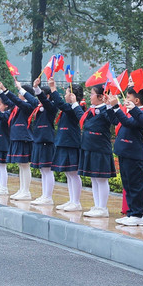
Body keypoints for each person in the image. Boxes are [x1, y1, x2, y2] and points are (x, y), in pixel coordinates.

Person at [69, 84, 116, 218]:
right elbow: (83, 119)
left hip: (100, 149)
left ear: (101, 97)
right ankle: (97, 205)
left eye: (92, 94)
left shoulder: (106, 110)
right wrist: (74, 104)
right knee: (94, 178)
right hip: (89, 147)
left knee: (101, 179)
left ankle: (103, 208)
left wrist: (109, 105)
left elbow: (112, 120)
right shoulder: (91, 110)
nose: (89, 97)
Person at [107, 87, 143, 227]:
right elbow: (115, 120)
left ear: (137, 100)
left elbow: (129, 123)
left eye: (128, 97)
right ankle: (131, 213)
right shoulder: (131, 112)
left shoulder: (142, 113)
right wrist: (110, 106)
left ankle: (138, 215)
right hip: (124, 151)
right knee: (127, 184)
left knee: (135, 185)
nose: (125, 100)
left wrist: (116, 106)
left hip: (133, 153)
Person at [48, 79, 84, 211]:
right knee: (69, 173)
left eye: (67, 92)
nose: (65, 95)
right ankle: (71, 200)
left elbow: (60, 104)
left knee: (73, 173)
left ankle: (76, 202)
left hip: (71, 143)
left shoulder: (77, 107)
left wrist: (53, 88)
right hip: (64, 141)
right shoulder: (69, 107)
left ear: (73, 95)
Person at [28, 80, 59, 206]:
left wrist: (36, 88)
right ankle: (44, 195)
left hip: (46, 140)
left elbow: (44, 101)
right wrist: (20, 88)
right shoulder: (38, 106)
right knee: (42, 170)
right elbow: (29, 98)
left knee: (47, 170)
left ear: (47, 96)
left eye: (41, 95)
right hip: (39, 139)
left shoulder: (51, 107)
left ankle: (48, 196)